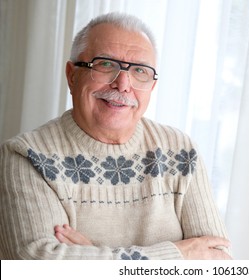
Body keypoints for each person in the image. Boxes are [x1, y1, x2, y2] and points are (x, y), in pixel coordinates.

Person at [0, 12, 231, 260]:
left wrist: (91, 254)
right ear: (72, 75)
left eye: (140, 71)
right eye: (106, 64)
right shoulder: (24, 156)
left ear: (152, 86)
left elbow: (218, 265)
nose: (123, 84)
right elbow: (39, 265)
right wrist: (177, 255)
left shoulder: (181, 151)